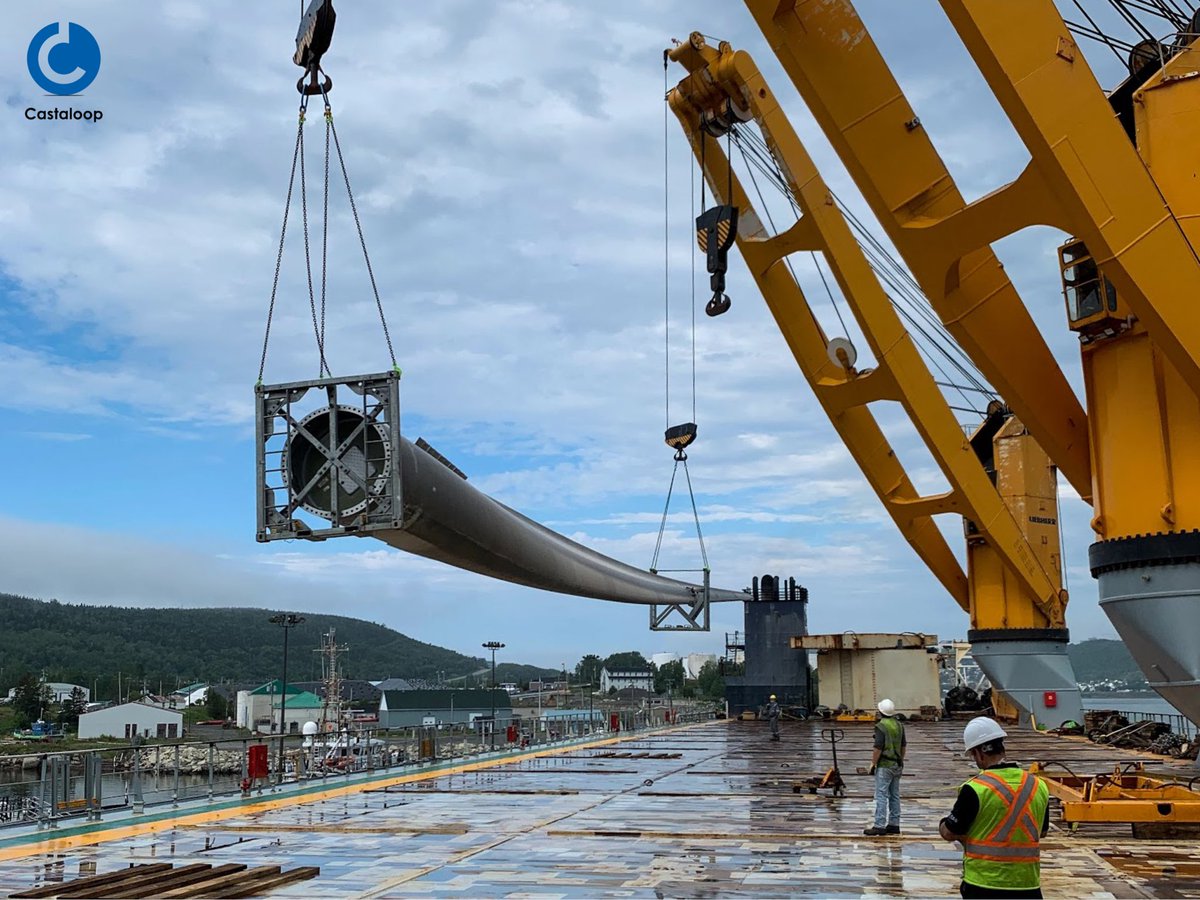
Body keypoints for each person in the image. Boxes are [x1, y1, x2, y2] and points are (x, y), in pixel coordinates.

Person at [939, 717, 1050, 899]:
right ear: (1001, 747)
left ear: (978, 753)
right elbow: (1042, 832)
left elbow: (950, 832)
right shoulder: (1037, 785)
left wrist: (943, 823)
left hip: (983, 883)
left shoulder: (975, 788)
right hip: (1027, 884)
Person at [864, 698, 905, 836]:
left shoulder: (881, 726)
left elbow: (878, 747)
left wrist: (873, 764)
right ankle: (894, 824)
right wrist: (900, 760)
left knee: (881, 795)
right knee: (894, 795)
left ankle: (879, 825)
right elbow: (903, 745)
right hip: (897, 764)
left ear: (880, 711)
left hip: (885, 765)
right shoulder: (899, 725)